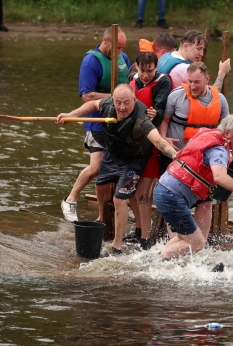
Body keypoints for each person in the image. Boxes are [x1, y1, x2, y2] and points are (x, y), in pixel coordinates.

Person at [56, 84, 178, 255]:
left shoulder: (141, 119)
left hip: (134, 161)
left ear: (134, 101)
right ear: (112, 101)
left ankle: (117, 246)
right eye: (118, 103)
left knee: (119, 199)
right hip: (112, 155)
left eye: (126, 103)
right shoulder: (107, 105)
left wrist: (174, 154)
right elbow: (92, 105)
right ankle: (101, 218)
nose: (122, 108)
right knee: (100, 187)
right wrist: (71, 115)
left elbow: (157, 140)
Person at [153, 114, 233, 260]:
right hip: (172, 196)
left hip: (162, 189)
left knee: (184, 239)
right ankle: (159, 261)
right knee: (197, 244)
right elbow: (219, 177)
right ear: (227, 133)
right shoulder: (218, 150)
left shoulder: (206, 134)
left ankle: (154, 259)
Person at [60, 27, 130, 222]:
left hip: (118, 124)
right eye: (116, 48)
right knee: (97, 167)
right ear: (106, 40)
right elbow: (87, 96)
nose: (119, 53)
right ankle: (70, 199)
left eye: (122, 48)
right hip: (97, 123)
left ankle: (106, 215)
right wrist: (116, 98)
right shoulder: (91, 61)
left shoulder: (124, 59)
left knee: (116, 168)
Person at [158, 61, 229, 240]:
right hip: (177, 157)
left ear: (207, 80)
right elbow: (164, 120)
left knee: (204, 202)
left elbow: (226, 131)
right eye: (189, 81)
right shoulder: (176, 96)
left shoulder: (219, 100)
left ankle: (200, 244)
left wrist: (226, 154)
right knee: (175, 199)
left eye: (196, 82)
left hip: (202, 162)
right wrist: (163, 138)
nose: (192, 86)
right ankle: (175, 241)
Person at [124, 51, 172, 250]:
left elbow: (160, 108)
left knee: (143, 192)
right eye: (143, 71)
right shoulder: (130, 80)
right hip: (131, 142)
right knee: (129, 191)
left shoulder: (163, 82)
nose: (146, 75)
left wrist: (155, 113)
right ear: (136, 66)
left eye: (150, 71)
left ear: (156, 68)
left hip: (150, 142)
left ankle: (145, 239)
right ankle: (138, 229)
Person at [157, 30, 231, 91]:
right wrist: (222, 73)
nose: (201, 54)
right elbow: (211, 95)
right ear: (186, 46)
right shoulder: (185, 69)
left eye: (203, 50)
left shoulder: (167, 55)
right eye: (199, 49)